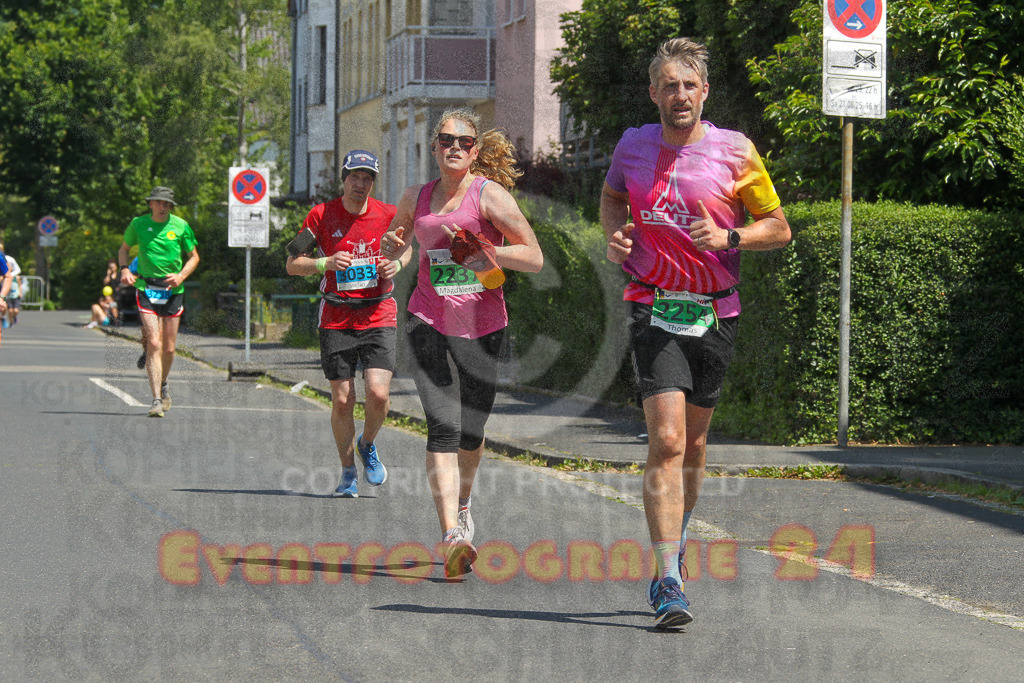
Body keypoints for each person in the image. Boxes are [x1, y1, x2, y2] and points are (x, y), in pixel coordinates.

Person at [602, 38, 791, 628]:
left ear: (703, 92)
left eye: (689, 85)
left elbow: (779, 227)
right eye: (668, 85)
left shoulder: (736, 151)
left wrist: (731, 239)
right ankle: (667, 579)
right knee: (667, 440)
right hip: (651, 306)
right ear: (653, 92)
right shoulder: (633, 145)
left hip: (715, 312)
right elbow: (611, 197)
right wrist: (616, 235)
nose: (678, 95)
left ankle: (675, 544)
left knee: (697, 446)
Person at [380, 109, 543, 578]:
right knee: (443, 427)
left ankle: (464, 502)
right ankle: (452, 534)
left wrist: (483, 254)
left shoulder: (490, 197)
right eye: (446, 139)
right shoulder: (416, 197)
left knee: (471, 432)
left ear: (474, 152)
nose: (454, 147)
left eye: (464, 142)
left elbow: (533, 258)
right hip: (426, 317)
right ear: (434, 147)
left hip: (483, 325)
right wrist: (398, 251)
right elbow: (406, 241)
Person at [285, 150, 404, 498]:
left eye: (368, 178)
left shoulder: (388, 214)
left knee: (379, 395)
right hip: (336, 316)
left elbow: (407, 247)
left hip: (378, 312)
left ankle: (367, 443)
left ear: (373, 183)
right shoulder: (321, 216)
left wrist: (397, 263)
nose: (361, 183)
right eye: (355, 176)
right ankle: (348, 471)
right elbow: (293, 263)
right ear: (344, 178)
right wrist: (325, 263)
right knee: (342, 400)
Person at [118, 186, 200, 417]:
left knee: (170, 347)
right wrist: (125, 270)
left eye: (167, 204)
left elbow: (194, 257)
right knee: (154, 342)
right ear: (151, 204)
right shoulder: (138, 224)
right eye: (159, 203)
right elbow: (124, 250)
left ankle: (163, 384)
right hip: (146, 287)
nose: (163, 207)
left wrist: (181, 275)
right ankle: (155, 400)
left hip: (173, 290)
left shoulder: (181, 226)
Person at [0, 241, 20, 328]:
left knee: (5, 305)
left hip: (2, 285)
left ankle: (3, 317)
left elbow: (8, 275)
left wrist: (2, 297)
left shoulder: (2, 256)